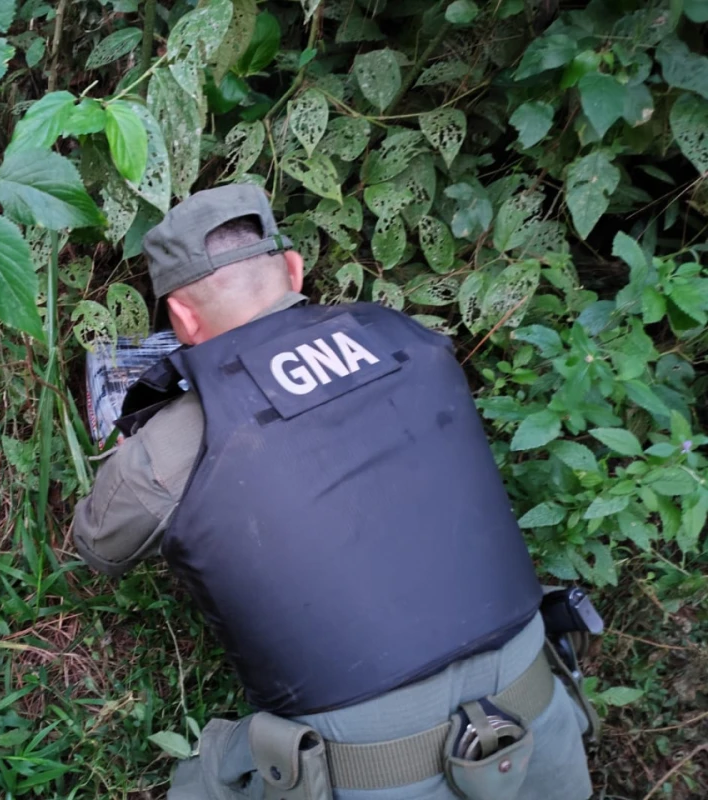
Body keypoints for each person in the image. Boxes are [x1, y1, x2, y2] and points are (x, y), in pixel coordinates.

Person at [72, 184, 597, 800]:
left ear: (183, 319)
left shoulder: (182, 440)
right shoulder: (412, 341)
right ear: (294, 270)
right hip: (538, 716)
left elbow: (99, 546)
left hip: (377, 771)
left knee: (205, 777)